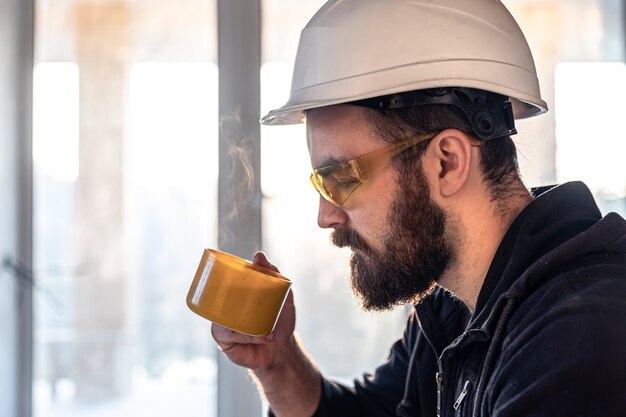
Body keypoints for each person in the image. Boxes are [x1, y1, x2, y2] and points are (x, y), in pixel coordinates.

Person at [211, 0, 626, 416]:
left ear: (447, 162)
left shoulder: (581, 335)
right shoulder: (452, 306)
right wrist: (279, 365)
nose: (327, 216)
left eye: (342, 178)